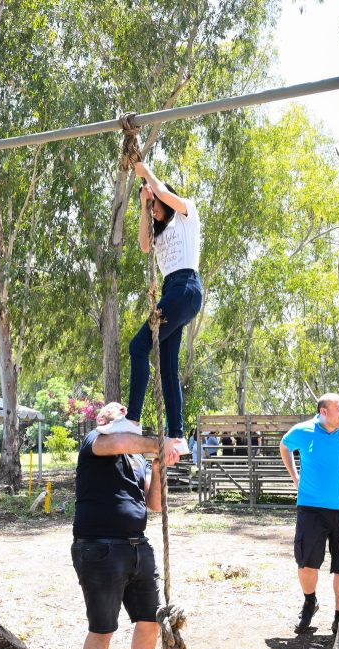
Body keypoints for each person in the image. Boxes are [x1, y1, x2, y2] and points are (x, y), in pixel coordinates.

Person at [71, 401, 181, 649]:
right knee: (103, 629)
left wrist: (157, 467)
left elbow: (154, 503)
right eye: (119, 411)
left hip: (138, 547)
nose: (127, 414)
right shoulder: (95, 440)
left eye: (129, 413)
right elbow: (120, 442)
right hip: (100, 548)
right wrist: (159, 443)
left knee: (150, 621)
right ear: (102, 419)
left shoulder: (136, 458)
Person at [120, 162, 202, 457]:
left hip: (186, 287)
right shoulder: (159, 232)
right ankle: (177, 434)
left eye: (156, 205)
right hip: (173, 292)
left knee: (138, 347)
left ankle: (133, 420)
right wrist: (143, 207)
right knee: (168, 366)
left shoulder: (186, 214)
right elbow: (143, 244)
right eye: (153, 207)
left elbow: (165, 193)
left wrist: (146, 174)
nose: (155, 209)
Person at [279, 393, 339, 636]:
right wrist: (294, 477)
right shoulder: (303, 430)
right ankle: (309, 602)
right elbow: (284, 446)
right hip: (311, 508)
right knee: (306, 563)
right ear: (324, 412)